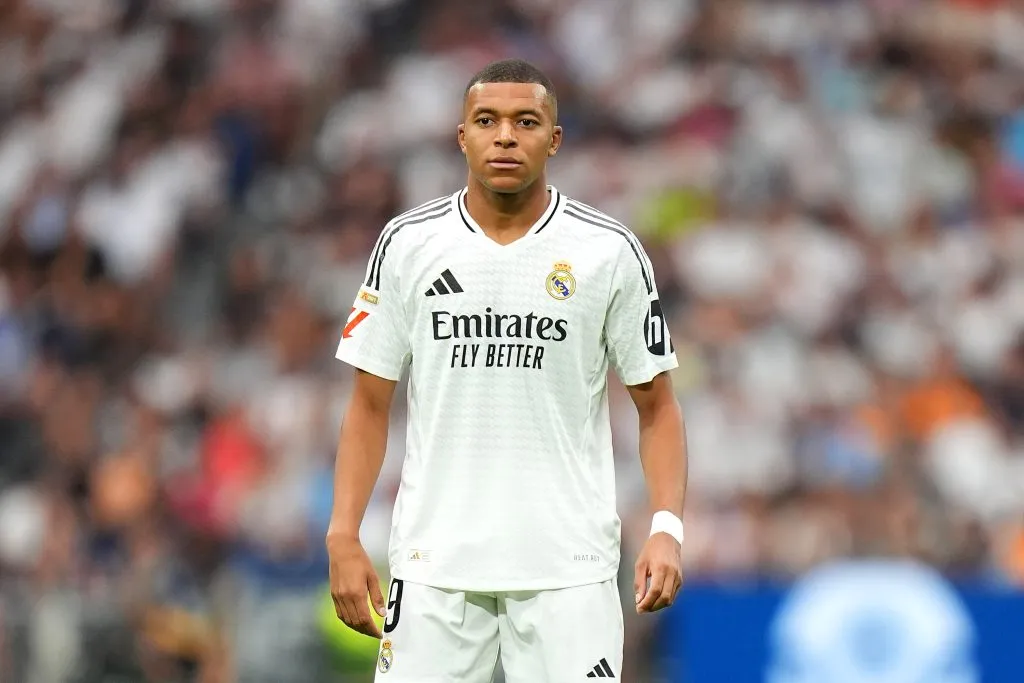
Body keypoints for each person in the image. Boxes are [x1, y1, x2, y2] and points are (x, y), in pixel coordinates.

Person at [326, 58, 688, 682]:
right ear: (460, 135)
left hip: (568, 568)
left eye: (526, 121)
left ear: (554, 138)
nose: (504, 136)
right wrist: (343, 535)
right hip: (434, 564)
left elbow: (657, 407)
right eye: (486, 120)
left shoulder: (608, 251)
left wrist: (666, 528)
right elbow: (367, 405)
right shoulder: (408, 244)